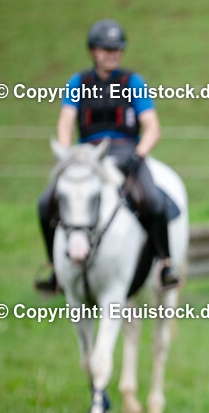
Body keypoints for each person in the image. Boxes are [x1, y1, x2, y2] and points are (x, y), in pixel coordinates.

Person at [36, 18, 178, 293]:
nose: (112, 53)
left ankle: (165, 263)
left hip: (127, 153)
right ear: (93, 51)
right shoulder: (78, 82)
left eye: (117, 49)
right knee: (46, 203)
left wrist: (138, 156)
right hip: (88, 157)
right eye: (105, 48)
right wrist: (67, 158)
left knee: (155, 200)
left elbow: (152, 127)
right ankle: (54, 268)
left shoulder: (133, 82)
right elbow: (65, 123)